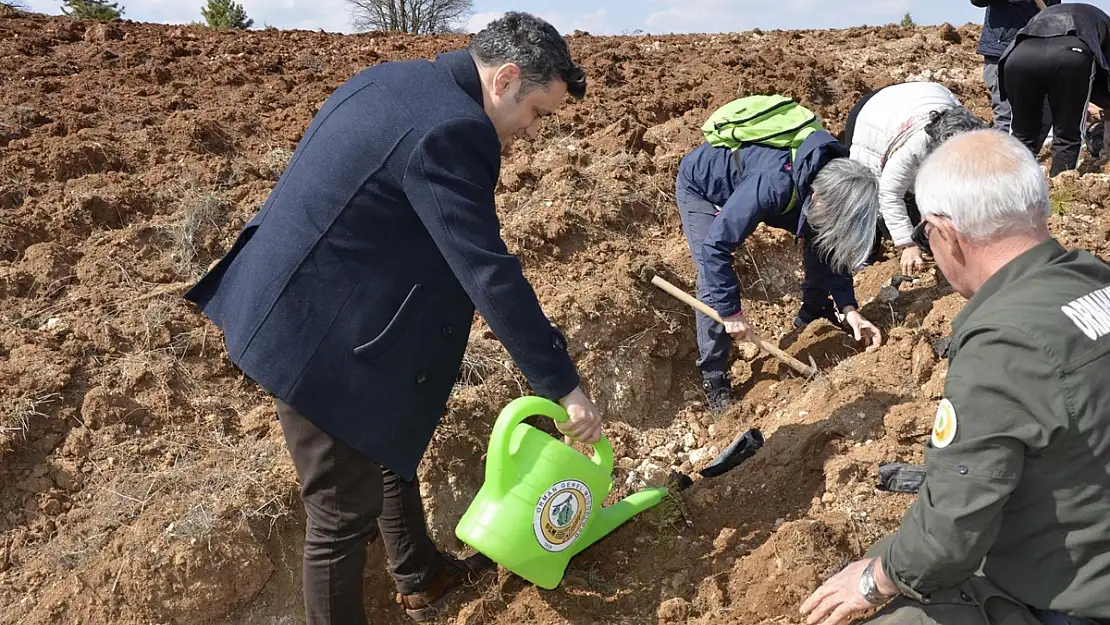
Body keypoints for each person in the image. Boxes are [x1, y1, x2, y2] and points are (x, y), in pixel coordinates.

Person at [182, 13, 604, 625]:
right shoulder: (453, 131)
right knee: (339, 515)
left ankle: (419, 576)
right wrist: (563, 386)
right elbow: (487, 270)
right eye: (538, 112)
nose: (534, 132)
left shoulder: (394, 80)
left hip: (304, 296)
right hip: (315, 336)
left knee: (383, 438)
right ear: (505, 78)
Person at [800, 129, 1110, 625]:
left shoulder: (1004, 344)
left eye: (926, 233)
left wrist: (872, 582)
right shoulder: (1093, 279)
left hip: (1076, 602)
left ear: (945, 234)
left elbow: (950, 537)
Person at [676, 130, 883, 413]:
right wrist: (730, 313)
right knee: (710, 277)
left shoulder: (829, 179)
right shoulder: (774, 184)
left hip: (758, 186)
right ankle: (715, 378)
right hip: (703, 185)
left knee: (818, 234)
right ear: (818, 197)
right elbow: (715, 249)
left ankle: (814, 312)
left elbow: (830, 243)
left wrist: (849, 308)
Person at [843, 81, 986, 275]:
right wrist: (907, 244)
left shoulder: (974, 138)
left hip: (922, 95)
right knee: (871, 200)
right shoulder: (914, 146)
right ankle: (865, 257)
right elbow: (890, 193)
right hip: (872, 114)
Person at [998, 2, 1110, 175]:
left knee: (1022, 134)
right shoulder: (1103, 25)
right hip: (1070, 54)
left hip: (1018, 56)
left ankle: (1010, 184)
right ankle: (1060, 187)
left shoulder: (1046, 16)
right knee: (1067, 134)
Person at [971, 0, 1058, 135]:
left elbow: (1053, 14)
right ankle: (1003, 153)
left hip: (1035, 52)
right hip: (1000, 53)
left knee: (1043, 113)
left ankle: (1029, 152)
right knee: (1004, 114)